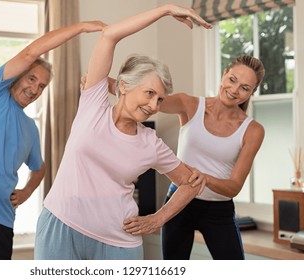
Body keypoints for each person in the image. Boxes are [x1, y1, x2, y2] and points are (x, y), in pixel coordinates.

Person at [34, 4, 212, 260]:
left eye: (160, 100)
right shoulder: (93, 104)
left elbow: (191, 182)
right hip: (61, 226)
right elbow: (109, 35)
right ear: (125, 86)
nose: (154, 106)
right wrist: (165, 10)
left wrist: (157, 219)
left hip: (118, 241)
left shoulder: (150, 143)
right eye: (150, 93)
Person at [0, 21, 105, 260]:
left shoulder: (30, 129)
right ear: (17, 76)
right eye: (31, 79)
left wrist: (26, 191)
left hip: (1, 217)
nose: (35, 89)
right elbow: (31, 52)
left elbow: (40, 167)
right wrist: (82, 27)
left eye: (42, 86)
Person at [157, 55, 265, 260]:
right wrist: (99, 83)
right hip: (178, 203)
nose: (234, 90)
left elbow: (234, 186)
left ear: (252, 92)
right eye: (232, 79)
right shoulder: (188, 104)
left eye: (244, 88)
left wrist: (203, 178)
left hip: (218, 211)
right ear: (224, 74)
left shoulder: (252, 130)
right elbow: (147, 98)